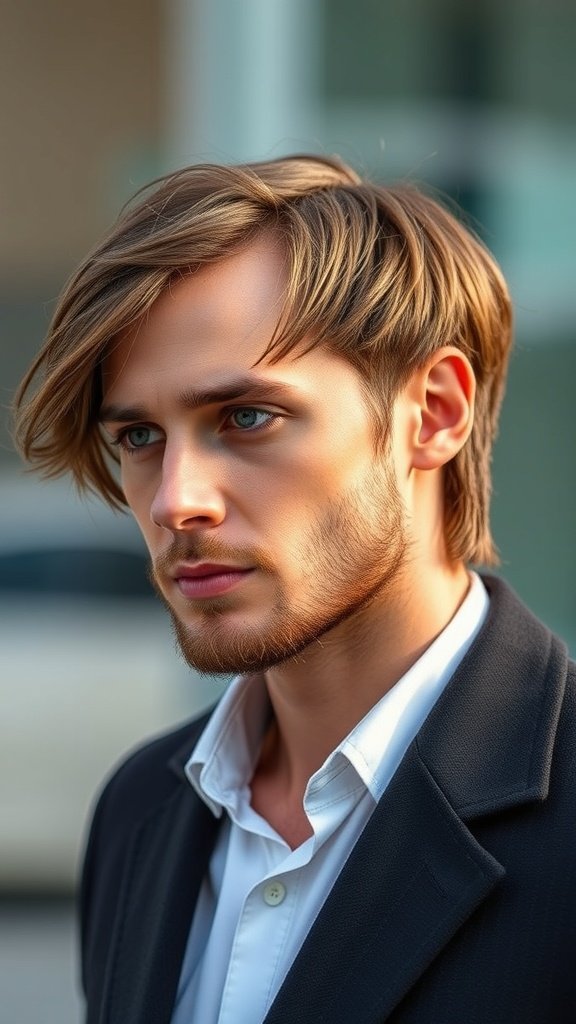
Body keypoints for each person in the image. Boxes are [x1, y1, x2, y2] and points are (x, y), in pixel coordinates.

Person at [14, 155, 576, 1024]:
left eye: (245, 418)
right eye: (138, 436)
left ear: (433, 414)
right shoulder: (140, 813)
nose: (175, 501)